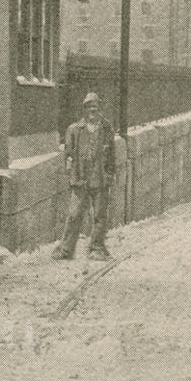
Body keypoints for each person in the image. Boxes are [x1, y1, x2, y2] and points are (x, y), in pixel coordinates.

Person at [54, 92, 117, 261]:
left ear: (100, 109)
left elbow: (111, 155)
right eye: (89, 107)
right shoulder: (74, 130)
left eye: (95, 107)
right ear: (84, 110)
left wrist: (110, 175)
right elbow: (68, 154)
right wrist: (70, 170)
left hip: (100, 179)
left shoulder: (107, 128)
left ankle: (97, 248)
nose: (92, 111)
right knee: (74, 215)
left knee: (100, 216)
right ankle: (66, 249)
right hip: (80, 178)